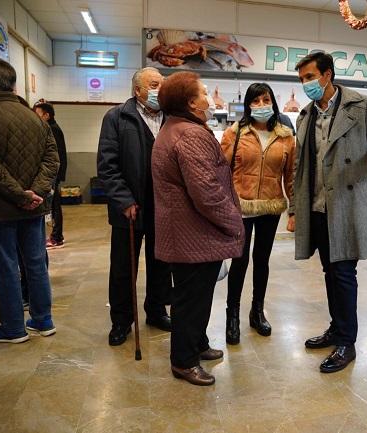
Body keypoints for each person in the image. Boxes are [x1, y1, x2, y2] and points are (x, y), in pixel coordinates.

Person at [290, 52, 367, 373]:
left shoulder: (361, 105)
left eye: (310, 77)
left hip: (347, 205)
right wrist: (293, 208)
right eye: (301, 79)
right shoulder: (305, 115)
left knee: (343, 274)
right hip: (317, 207)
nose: (306, 84)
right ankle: (336, 327)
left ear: (327, 74)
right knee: (330, 272)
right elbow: (300, 165)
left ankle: (346, 342)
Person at [152, 71, 244, 386]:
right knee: (191, 299)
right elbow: (207, 192)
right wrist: (234, 221)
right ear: (191, 102)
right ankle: (184, 361)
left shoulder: (175, 128)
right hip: (195, 233)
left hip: (187, 233)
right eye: (204, 92)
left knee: (196, 296)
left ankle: (197, 344)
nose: (208, 97)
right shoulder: (190, 135)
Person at [0, 58, 59, 343]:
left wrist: (20, 194)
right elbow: (51, 159)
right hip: (33, 207)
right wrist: (36, 193)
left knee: (6, 267)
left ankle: (13, 328)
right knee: (35, 264)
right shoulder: (35, 117)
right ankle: (43, 320)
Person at [97, 67, 172, 346]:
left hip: (163, 207)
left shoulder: (170, 118)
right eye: (154, 85)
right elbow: (107, 165)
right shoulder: (117, 117)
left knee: (161, 264)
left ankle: (156, 311)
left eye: (162, 86)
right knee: (123, 268)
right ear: (137, 90)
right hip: (128, 208)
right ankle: (121, 321)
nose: (159, 91)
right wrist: (124, 200)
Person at [220, 83, 295, 345]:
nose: (261, 105)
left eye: (266, 100)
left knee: (262, 260)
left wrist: (293, 209)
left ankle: (257, 311)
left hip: (270, 206)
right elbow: (221, 168)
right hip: (240, 206)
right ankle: (232, 316)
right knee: (239, 261)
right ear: (248, 105)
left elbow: (291, 176)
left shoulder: (285, 136)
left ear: (273, 102)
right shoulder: (235, 133)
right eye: (256, 100)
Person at [34, 102, 67, 248]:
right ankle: (56, 236)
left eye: (38, 114)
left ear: (47, 115)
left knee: (54, 205)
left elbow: (55, 156)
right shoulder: (49, 128)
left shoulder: (52, 129)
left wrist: (55, 175)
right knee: (53, 204)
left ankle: (57, 237)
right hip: (52, 174)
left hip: (52, 175)